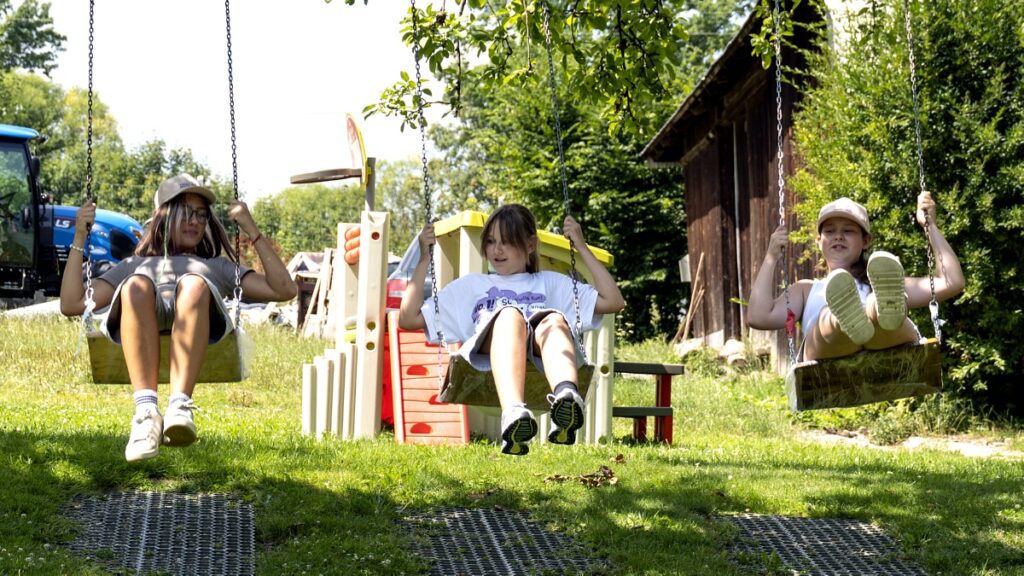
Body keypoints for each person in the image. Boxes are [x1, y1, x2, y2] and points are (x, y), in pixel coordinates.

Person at [60, 174, 297, 462]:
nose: (195, 221)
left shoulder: (215, 266)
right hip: (141, 311)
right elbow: (71, 303)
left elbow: (284, 290)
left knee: (194, 283)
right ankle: (146, 413)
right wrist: (79, 237)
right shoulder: (134, 264)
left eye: (201, 215)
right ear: (163, 216)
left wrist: (251, 228)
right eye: (185, 212)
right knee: (136, 285)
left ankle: (180, 405)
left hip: (198, 314)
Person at [399, 204, 625, 455]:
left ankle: (566, 398)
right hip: (487, 359)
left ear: (530, 245)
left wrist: (581, 247)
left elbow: (614, 301)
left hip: (540, 354)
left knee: (553, 320)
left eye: (507, 242)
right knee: (509, 316)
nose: (497, 250)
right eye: (491, 241)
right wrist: (424, 259)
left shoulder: (550, 283)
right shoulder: (472, 286)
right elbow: (408, 319)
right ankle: (514, 413)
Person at [747, 192, 964, 361]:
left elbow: (952, 282)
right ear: (818, 241)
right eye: (830, 231)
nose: (838, 236)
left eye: (848, 231)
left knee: (879, 302)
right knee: (828, 316)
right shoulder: (806, 290)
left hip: (888, 345)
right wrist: (771, 256)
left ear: (866, 241)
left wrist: (930, 226)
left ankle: (878, 308)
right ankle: (842, 317)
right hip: (826, 354)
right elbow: (758, 317)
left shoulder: (882, 280)